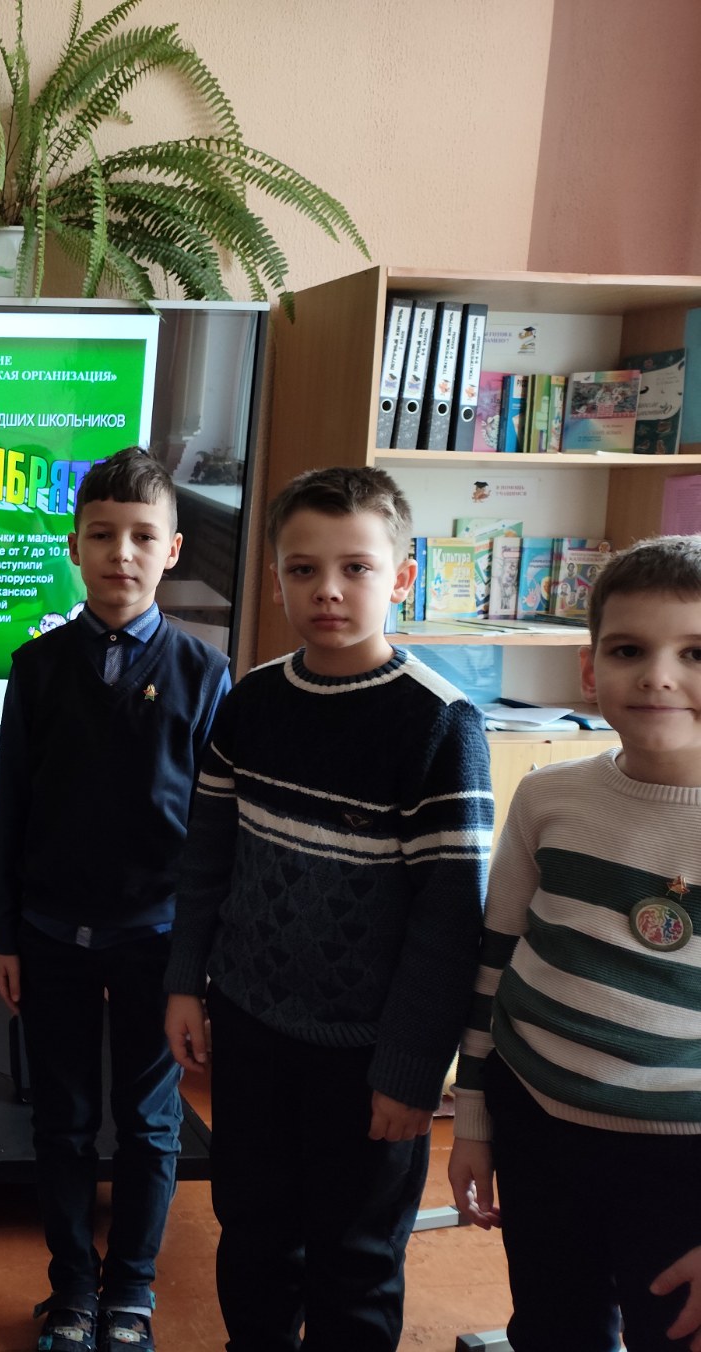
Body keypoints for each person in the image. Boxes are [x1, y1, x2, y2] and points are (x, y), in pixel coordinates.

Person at [164, 465, 492, 1352]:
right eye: (304, 570)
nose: (329, 591)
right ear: (276, 581)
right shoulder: (252, 702)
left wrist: (411, 1070)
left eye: (357, 568)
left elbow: (447, 921)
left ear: (403, 577)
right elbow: (207, 857)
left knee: (355, 1260)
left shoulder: (440, 725)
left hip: (366, 1056)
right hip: (251, 1030)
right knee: (253, 1232)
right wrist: (186, 982)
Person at [0, 449, 230, 1352]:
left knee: (151, 1125)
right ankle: (73, 1293)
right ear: (75, 546)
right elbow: (9, 810)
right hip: (50, 935)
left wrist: (196, 965)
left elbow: (217, 836)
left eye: (142, 537)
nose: (121, 553)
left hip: (157, 942)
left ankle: (130, 1294)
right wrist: (5, 933)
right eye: (101, 535)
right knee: (61, 1121)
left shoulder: (206, 674)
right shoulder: (38, 668)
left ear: (172, 550)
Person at [447, 536, 701, 1352]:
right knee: (555, 1329)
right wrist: (474, 1119)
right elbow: (494, 961)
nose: (658, 676)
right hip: (540, 1127)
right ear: (590, 670)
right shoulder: (548, 796)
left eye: (695, 653)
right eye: (629, 651)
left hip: (681, 1159)